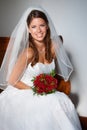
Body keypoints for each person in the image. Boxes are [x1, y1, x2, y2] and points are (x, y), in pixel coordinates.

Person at [0, 6, 82, 130]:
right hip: (23, 91)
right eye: (33, 27)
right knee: (48, 106)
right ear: (28, 29)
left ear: (47, 26)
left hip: (44, 91)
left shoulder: (54, 46)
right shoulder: (29, 52)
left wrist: (48, 86)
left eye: (42, 25)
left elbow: (52, 73)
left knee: (61, 102)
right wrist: (36, 90)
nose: (38, 30)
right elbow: (12, 80)